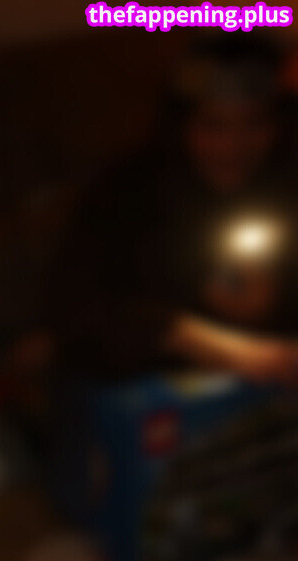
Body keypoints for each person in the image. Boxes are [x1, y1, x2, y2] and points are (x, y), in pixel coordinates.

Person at [46, 35, 298, 382]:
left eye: (254, 124)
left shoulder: (287, 182)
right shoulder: (127, 189)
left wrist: (276, 302)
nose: (234, 146)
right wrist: (188, 336)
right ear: (181, 124)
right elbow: (73, 304)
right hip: (150, 385)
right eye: (213, 125)